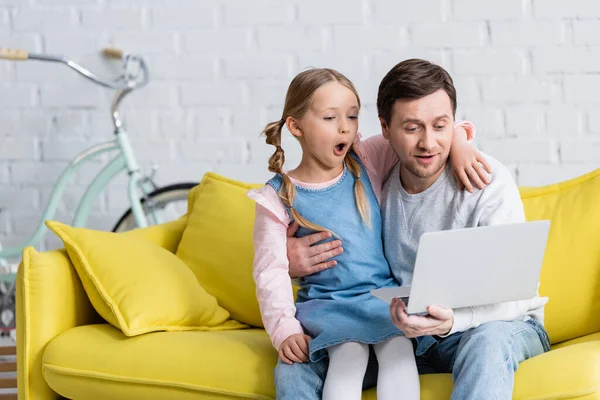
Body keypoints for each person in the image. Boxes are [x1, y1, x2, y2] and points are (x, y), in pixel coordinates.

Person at [287, 59, 551, 400]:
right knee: (298, 363)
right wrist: (286, 259)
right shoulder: (371, 176)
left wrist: (452, 322)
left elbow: (514, 297)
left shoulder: (486, 178)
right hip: (404, 331)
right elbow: (327, 224)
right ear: (385, 128)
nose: (429, 143)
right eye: (412, 128)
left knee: (487, 342)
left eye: (441, 126)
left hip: (492, 324)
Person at [248, 67, 488, 400]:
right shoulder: (276, 197)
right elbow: (269, 272)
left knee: (399, 355)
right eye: (330, 118)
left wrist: (460, 144)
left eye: (352, 116)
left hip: (381, 301)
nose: (345, 127)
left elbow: (418, 138)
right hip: (327, 307)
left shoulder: (365, 159)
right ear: (295, 126)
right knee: (346, 359)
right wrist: (283, 329)